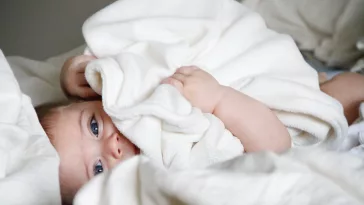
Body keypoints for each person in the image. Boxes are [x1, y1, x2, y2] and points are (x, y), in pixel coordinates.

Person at [37, 55, 364, 203]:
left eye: (93, 126)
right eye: (97, 168)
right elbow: (276, 147)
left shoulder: (133, 100)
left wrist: (77, 72)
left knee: (336, 87)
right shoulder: (172, 171)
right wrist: (219, 100)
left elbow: (116, 63)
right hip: (269, 125)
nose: (113, 147)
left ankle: (316, 80)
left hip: (260, 86)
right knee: (342, 98)